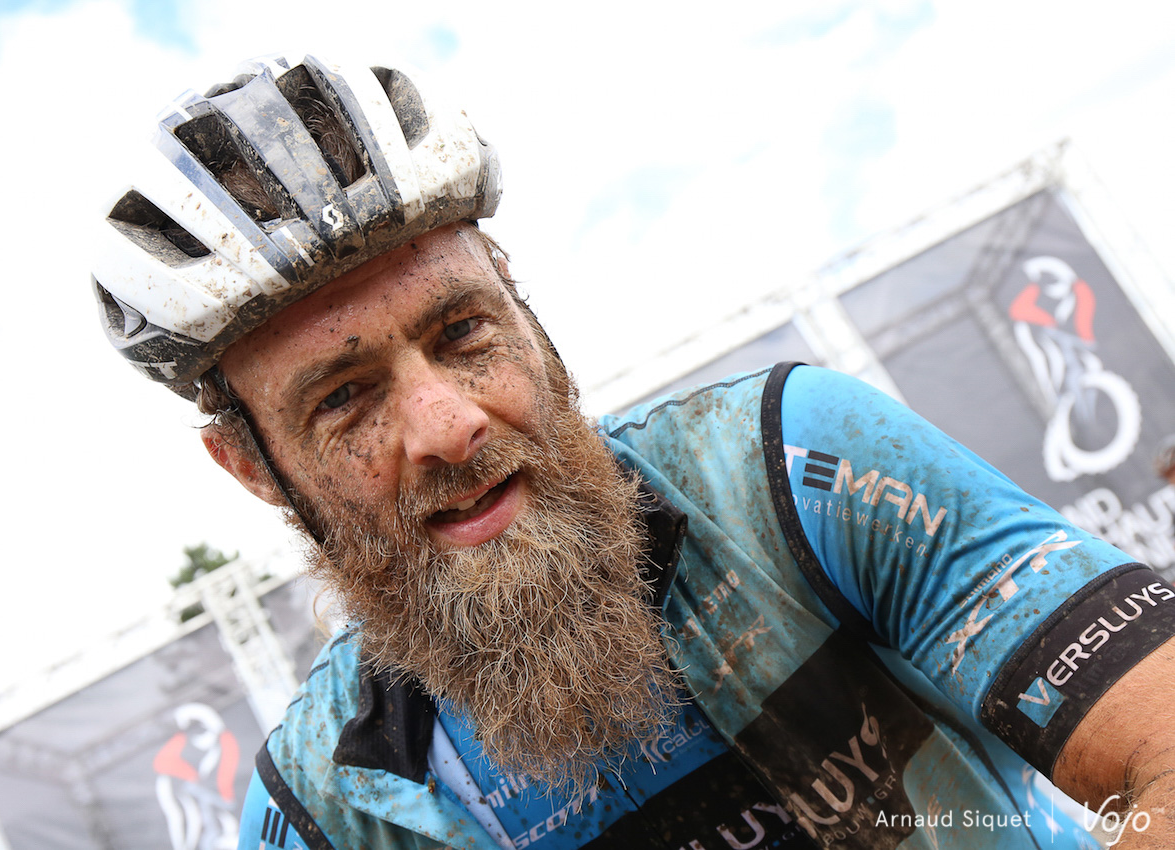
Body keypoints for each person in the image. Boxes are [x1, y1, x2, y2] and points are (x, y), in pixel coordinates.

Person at [91, 53, 1175, 850]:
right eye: (343, 398)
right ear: (252, 468)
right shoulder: (322, 811)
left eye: (463, 333)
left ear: (525, 313)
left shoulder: (794, 475)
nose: (448, 426)